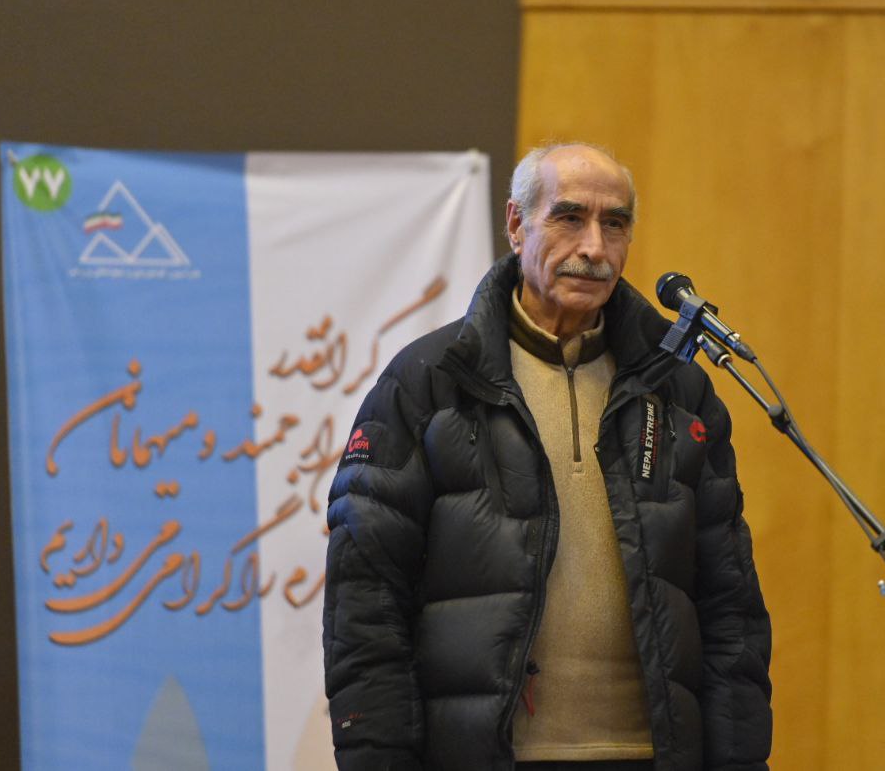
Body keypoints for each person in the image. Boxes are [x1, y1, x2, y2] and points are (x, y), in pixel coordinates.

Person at [322, 143, 772, 771]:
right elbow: (366, 602)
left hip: (652, 754)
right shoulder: (428, 382)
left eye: (615, 224)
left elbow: (731, 608)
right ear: (516, 224)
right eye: (570, 217)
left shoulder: (677, 391)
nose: (594, 247)